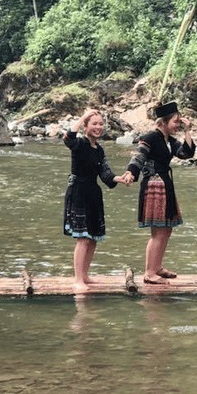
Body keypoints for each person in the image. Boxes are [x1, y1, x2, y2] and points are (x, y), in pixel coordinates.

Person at [121, 101, 195, 285]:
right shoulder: (151, 137)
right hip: (154, 185)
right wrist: (131, 172)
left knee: (166, 229)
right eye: (176, 122)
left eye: (179, 122)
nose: (177, 125)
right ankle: (149, 272)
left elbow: (186, 153)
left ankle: (158, 267)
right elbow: (139, 156)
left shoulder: (169, 140)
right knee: (158, 232)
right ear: (162, 123)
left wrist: (187, 130)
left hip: (165, 184)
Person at [63, 109, 128, 294]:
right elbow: (68, 137)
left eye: (101, 124)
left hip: (93, 193)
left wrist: (119, 179)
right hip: (78, 192)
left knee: (93, 238)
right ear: (86, 126)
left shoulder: (99, 149)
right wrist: (83, 116)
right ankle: (77, 280)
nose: (98, 127)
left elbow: (105, 174)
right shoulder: (79, 144)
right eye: (94, 124)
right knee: (83, 238)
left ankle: (84, 275)